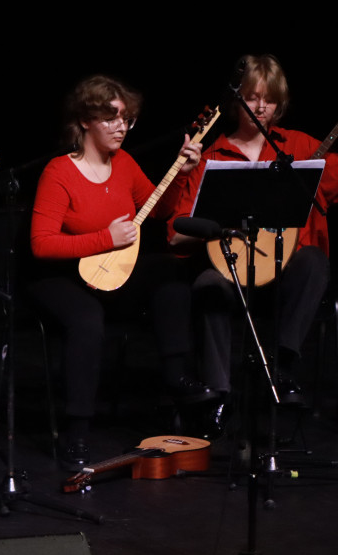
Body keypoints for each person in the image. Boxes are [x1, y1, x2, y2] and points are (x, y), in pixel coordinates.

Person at [166, 53, 338, 416]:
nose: (260, 107)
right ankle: (217, 397)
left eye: (269, 99)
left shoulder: (298, 148)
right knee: (206, 284)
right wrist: (192, 183)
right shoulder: (210, 157)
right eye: (252, 97)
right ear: (237, 100)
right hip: (232, 276)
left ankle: (280, 370)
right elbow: (175, 238)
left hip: (283, 283)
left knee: (312, 260)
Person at [27, 75, 208, 469]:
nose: (120, 127)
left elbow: (158, 211)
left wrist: (181, 173)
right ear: (86, 121)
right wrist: (104, 239)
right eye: (110, 118)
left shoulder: (124, 164)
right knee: (87, 321)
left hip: (112, 272)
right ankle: (77, 432)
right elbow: (41, 244)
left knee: (169, 273)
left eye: (126, 119)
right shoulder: (59, 172)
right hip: (61, 275)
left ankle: (177, 378)